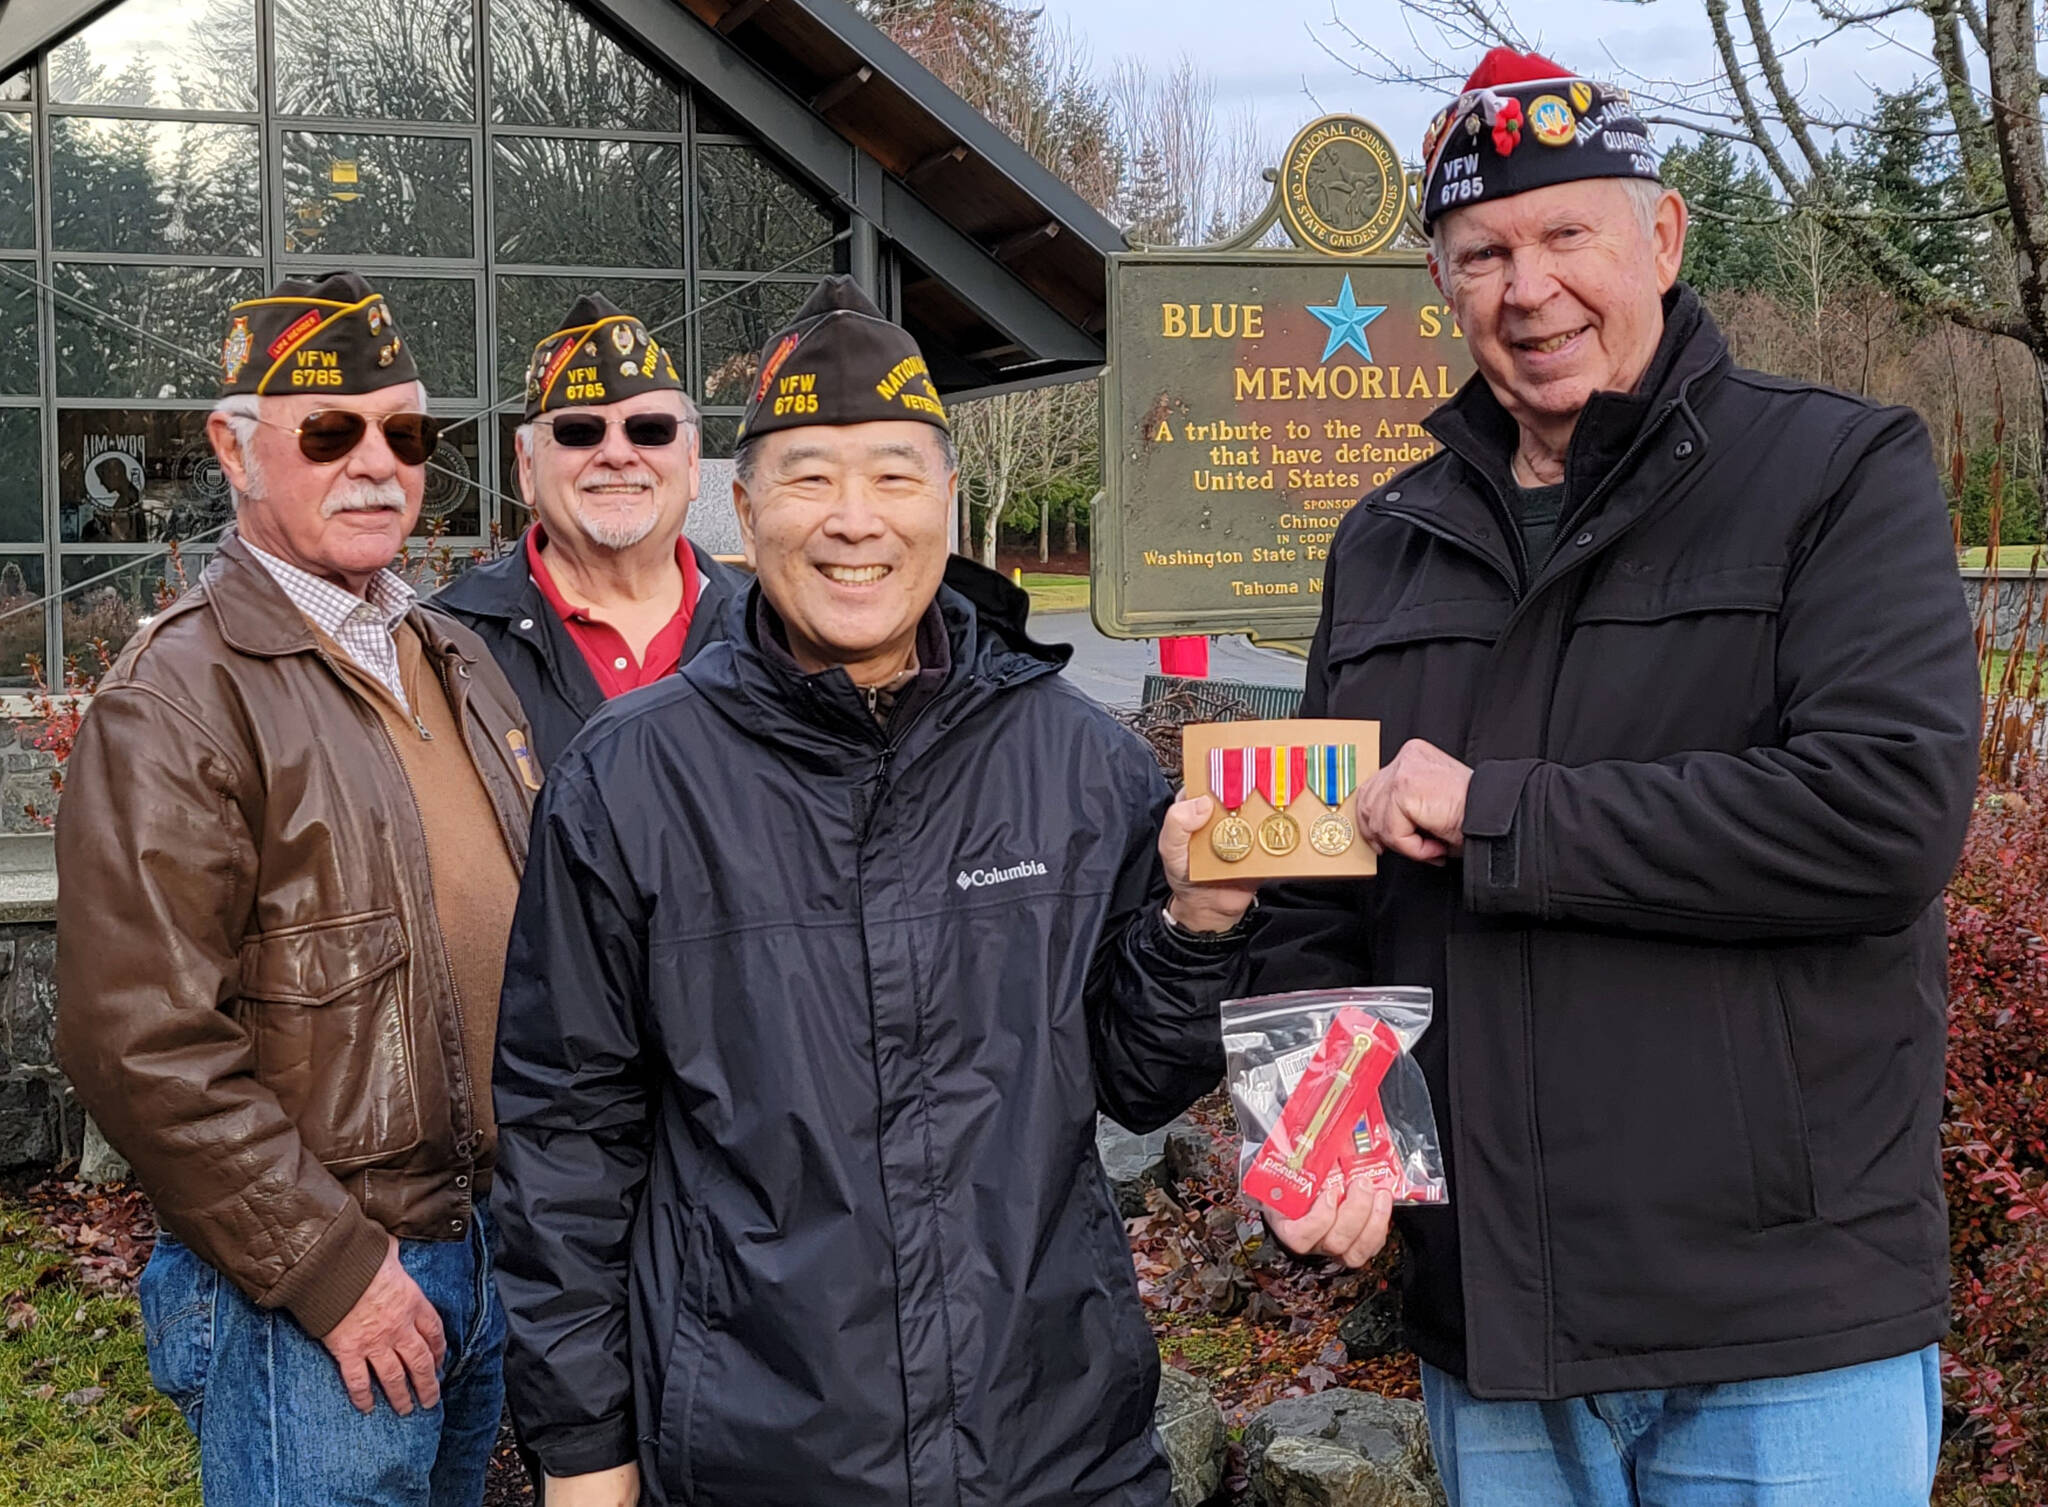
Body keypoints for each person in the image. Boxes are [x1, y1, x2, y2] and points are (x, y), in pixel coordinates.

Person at [1252, 48, 1980, 1505]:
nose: (1529, 288)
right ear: (1445, 287)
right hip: (1497, 1326)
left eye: (1566, 234)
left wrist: (1498, 808)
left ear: (1664, 235)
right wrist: (1320, 1152)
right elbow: (1312, 884)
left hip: (1778, 1325)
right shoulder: (1385, 538)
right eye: (1483, 254)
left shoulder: (1834, 472)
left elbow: (1884, 813)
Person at [491, 275, 1260, 1507]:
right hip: (759, 1454)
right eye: (808, 478)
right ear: (743, 510)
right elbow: (566, 1145)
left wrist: (1194, 928)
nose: (856, 519)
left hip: (1053, 1448)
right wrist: (585, 1455)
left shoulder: (1077, 759)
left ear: (947, 501)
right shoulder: (631, 781)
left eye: (895, 474)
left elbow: (1140, 1075)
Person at [54, 271, 540, 1506]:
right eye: (330, 432)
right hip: (318, 1290)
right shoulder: (181, 695)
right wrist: (330, 1268)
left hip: (477, 1251)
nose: (377, 463)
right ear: (234, 446)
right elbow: (140, 1042)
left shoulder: (453, 655)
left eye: (407, 433)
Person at [436, 293, 742, 767]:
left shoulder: (774, 628)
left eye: (650, 430)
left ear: (691, 461)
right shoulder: (444, 643)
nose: (618, 454)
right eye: (578, 432)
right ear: (526, 467)